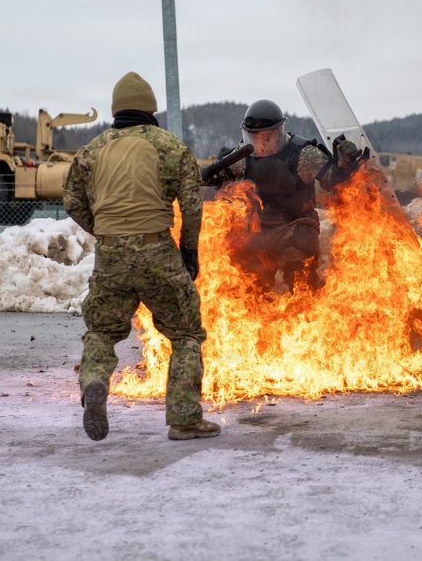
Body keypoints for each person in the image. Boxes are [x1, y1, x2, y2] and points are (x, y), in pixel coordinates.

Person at [63, 71, 220, 442]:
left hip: (111, 255)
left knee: (101, 331)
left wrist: (104, 229)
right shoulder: (170, 146)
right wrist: (188, 252)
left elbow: (71, 201)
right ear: (151, 110)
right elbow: (193, 207)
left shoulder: (90, 151)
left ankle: (95, 384)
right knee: (185, 333)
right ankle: (184, 420)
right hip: (157, 252)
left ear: (116, 110)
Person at [205, 99, 362, 293]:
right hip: (259, 229)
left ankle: (304, 307)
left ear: (278, 131)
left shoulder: (303, 154)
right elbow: (215, 176)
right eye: (255, 137)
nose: (262, 142)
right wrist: (194, 175)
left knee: (299, 272)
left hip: (296, 226)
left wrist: (345, 163)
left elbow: (331, 179)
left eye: (267, 136)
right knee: (246, 280)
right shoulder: (243, 156)